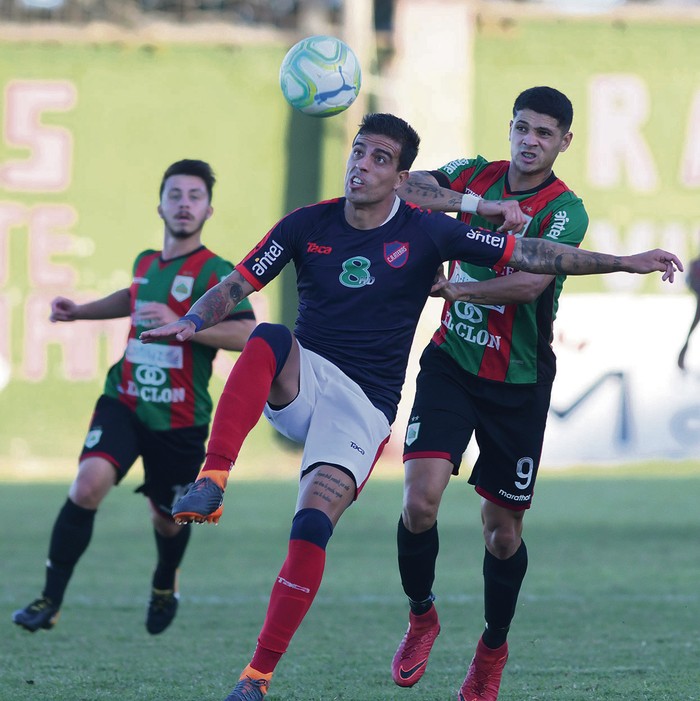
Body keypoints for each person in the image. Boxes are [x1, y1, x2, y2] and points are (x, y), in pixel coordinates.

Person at [140, 113, 680, 701]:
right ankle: (214, 479)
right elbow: (239, 283)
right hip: (315, 379)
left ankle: (258, 676)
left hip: (375, 407)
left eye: (379, 159)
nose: (362, 166)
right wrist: (193, 320)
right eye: (358, 152)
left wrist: (624, 262)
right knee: (273, 343)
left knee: (325, 528)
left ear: (396, 175)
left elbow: (532, 259)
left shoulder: (433, 232)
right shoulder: (306, 223)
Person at [388, 86, 593, 701]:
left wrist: (456, 293)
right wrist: (470, 202)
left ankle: (491, 651)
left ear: (563, 142)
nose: (530, 141)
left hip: (519, 382)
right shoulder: (478, 174)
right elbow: (403, 184)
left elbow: (530, 283)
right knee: (419, 502)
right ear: (511, 128)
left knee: (501, 532)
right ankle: (422, 615)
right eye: (522, 128)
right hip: (452, 363)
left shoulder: (565, 210)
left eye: (544, 133)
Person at [12, 159, 256, 636]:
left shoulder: (215, 270)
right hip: (123, 400)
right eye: (176, 195)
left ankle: (165, 582)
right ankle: (50, 599)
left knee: (168, 521)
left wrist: (185, 322)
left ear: (209, 210)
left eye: (195, 197)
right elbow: (133, 295)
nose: (184, 204)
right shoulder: (146, 261)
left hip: (180, 419)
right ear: (159, 204)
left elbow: (247, 333)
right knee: (87, 486)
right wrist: (79, 312)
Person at [677, 253, 700, 371]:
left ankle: (681, 358)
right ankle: (681, 358)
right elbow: (689, 281)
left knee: (691, 331)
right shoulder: (695, 264)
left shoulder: (695, 264)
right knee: (691, 332)